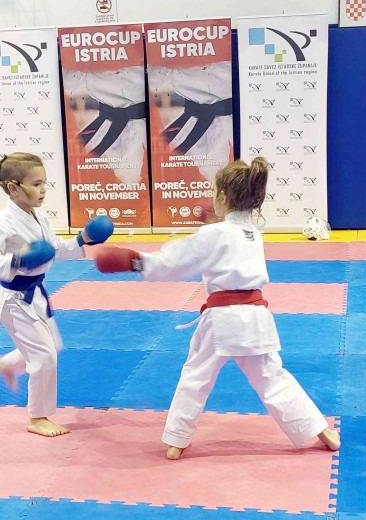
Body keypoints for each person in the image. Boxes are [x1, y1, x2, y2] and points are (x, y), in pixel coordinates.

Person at [95, 157, 340, 459]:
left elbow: (174, 261)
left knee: (196, 376)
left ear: (222, 197)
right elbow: (227, 246)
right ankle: (321, 430)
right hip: (256, 318)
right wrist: (213, 225)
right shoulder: (253, 233)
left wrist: (135, 262)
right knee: (273, 378)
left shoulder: (213, 235)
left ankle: (177, 440)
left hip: (222, 321)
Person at [0, 152, 114, 436]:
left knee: (54, 345)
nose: (43, 190)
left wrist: (83, 239)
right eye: (36, 184)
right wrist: (18, 260)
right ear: (13, 188)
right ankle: (37, 417)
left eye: (44, 183)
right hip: (12, 297)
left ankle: (9, 365)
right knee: (43, 354)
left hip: (35, 291)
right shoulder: (4, 223)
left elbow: (53, 250)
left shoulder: (38, 217)